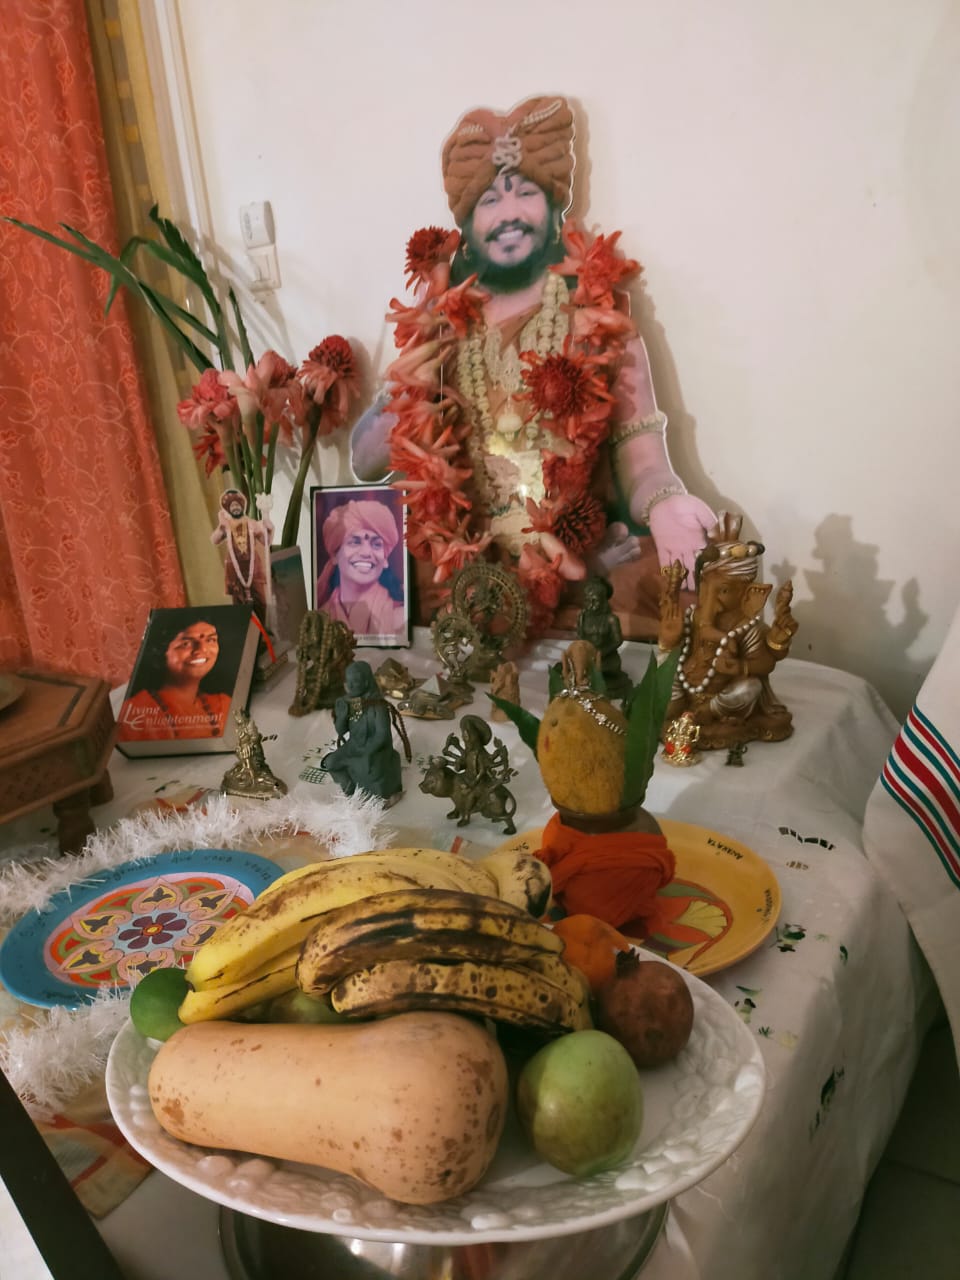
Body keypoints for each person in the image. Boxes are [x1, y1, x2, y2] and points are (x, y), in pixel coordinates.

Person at [351, 93, 716, 636]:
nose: (509, 215)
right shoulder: (442, 319)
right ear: (467, 222)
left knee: (693, 589)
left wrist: (666, 503)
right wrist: (409, 385)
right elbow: (364, 461)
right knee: (373, 584)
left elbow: (642, 459)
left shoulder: (597, 311)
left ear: (552, 207)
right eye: (489, 201)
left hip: (583, 560)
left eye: (525, 193)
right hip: (465, 566)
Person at [658, 513, 798, 749]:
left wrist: (740, 667)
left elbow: (765, 663)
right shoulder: (693, 616)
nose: (710, 599)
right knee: (664, 662)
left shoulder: (746, 627)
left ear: (749, 594)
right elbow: (678, 653)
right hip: (688, 685)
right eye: (705, 588)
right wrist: (668, 642)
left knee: (750, 688)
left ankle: (710, 711)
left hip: (723, 693)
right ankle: (677, 704)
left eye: (722, 591)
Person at [118, 616, 232, 740]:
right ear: (161, 651)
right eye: (186, 644)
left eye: (210, 640)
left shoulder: (223, 705)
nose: (202, 649)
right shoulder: (136, 712)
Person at [315, 498, 406, 642]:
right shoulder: (319, 621)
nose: (366, 552)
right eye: (354, 542)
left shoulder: (400, 620)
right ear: (334, 556)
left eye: (376, 544)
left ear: (385, 559)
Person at [321, 660, 409, 803]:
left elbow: (382, 735)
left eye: (355, 681)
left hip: (377, 748)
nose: (350, 686)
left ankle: (377, 798)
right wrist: (342, 717)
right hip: (354, 745)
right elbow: (341, 731)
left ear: (367, 682)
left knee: (367, 768)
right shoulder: (347, 703)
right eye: (348, 681)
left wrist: (367, 752)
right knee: (331, 762)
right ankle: (350, 790)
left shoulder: (378, 706)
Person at [210, 488, 273, 622]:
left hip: (253, 569)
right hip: (235, 570)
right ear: (228, 508)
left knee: (260, 601)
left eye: (237, 505)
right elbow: (214, 540)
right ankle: (244, 630)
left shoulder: (251, 523)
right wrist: (221, 525)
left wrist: (266, 518)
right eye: (232, 506)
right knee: (238, 604)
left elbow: (265, 541)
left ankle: (263, 630)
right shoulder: (226, 525)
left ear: (242, 506)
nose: (235, 508)